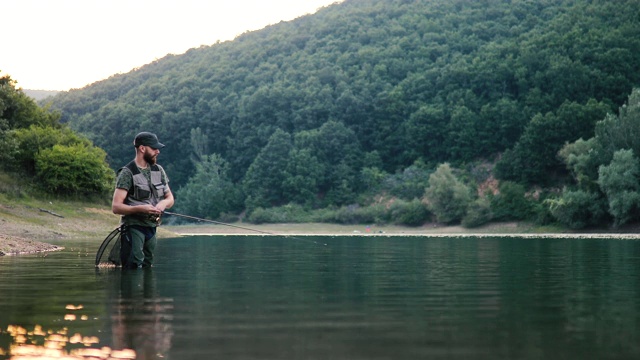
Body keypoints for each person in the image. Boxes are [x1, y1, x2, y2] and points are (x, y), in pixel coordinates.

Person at [112, 132, 174, 268]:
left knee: (147, 264)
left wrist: (163, 203)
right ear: (142, 149)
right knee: (134, 265)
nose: (157, 151)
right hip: (133, 227)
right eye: (154, 148)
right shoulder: (127, 173)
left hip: (152, 228)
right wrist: (140, 208)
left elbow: (170, 198)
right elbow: (116, 207)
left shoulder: (159, 170)